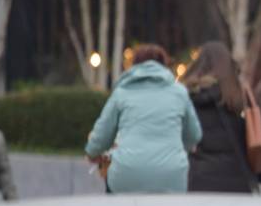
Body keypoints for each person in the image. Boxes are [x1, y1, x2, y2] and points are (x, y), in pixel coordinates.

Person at [84, 44, 201, 194]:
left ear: (134, 67)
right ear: (164, 66)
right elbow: (195, 135)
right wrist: (177, 149)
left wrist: (92, 153)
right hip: (171, 176)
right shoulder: (179, 92)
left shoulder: (122, 92)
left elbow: (101, 136)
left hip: (126, 175)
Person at [181, 41, 261, 193]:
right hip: (238, 186)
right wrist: (258, 173)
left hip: (195, 184)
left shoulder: (185, 98)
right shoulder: (242, 99)